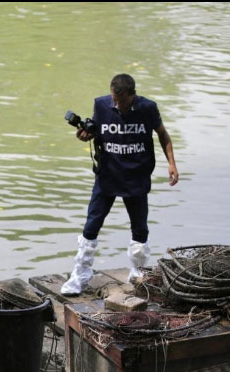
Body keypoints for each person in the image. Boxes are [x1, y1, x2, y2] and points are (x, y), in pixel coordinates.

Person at [61, 74, 178, 295]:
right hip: (108, 176)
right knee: (91, 225)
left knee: (140, 227)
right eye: (114, 100)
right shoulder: (101, 104)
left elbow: (163, 135)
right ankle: (81, 274)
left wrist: (171, 164)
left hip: (136, 175)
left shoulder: (148, 108)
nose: (117, 105)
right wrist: (85, 135)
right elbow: (95, 131)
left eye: (121, 102)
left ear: (132, 95)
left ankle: (138, 272)